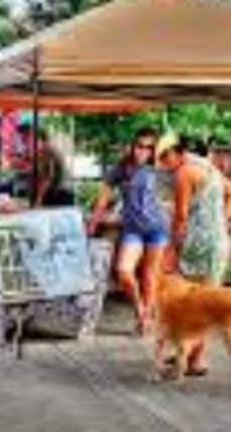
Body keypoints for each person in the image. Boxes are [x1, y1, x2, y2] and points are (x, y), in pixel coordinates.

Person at [156, 133, 231, 374]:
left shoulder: (184, 173)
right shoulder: (210, 169)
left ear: (178, 153)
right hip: (218, 244)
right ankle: (192, 355)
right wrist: (219, 223)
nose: (164, 162)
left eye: (166, 156)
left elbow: (180, 217)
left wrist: (171, 248)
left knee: (194, 303)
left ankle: (195, 360)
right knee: (205, 301)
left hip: (198, 248)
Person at [87, 127, 168, 335]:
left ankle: (144, 320)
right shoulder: (122, 168)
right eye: (139, 146)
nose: (142, 151)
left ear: (154, 150)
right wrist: (93, 222)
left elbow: (173, 194)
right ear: (133, 146)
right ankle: (140, 308)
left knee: (149, 276)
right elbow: (103, 197)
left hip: (157, 228)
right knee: (123, 271)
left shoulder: (159, 168)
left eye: (149, 147)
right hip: (132, 229)